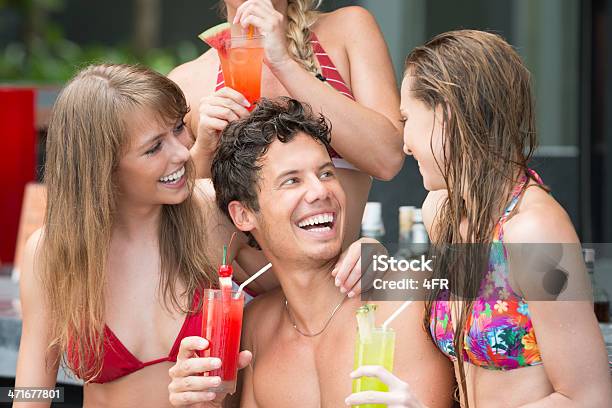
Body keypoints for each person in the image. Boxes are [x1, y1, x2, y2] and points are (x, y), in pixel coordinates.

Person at [13, 64, 365, 408]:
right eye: (154, 148)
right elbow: (32, 393)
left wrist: (377, 262)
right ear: (103, 169)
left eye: (179, 128)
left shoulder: (215, 213)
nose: (183, 152)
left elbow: (315, 280)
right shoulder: (50, 253)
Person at [345, 30, 612, 407]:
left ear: (445, 113)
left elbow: (589, 399)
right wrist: (382, 263)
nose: (404, 144)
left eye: (407, 119)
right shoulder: (443, 212)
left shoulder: (532, 232)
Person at [168, 97, 455, 407]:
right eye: (292, 181)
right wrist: (200, 404)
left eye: (326, 173)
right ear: (243, 215)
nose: (320, 191)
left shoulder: (408, 298)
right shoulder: (254, 329)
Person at [169, 0, 405, 283]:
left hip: (336, 290)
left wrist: (284, 64)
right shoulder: (188, 81)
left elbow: (387, 158)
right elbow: (173, 214)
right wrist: (204, 149)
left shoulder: (347, 30)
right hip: (241, 302)